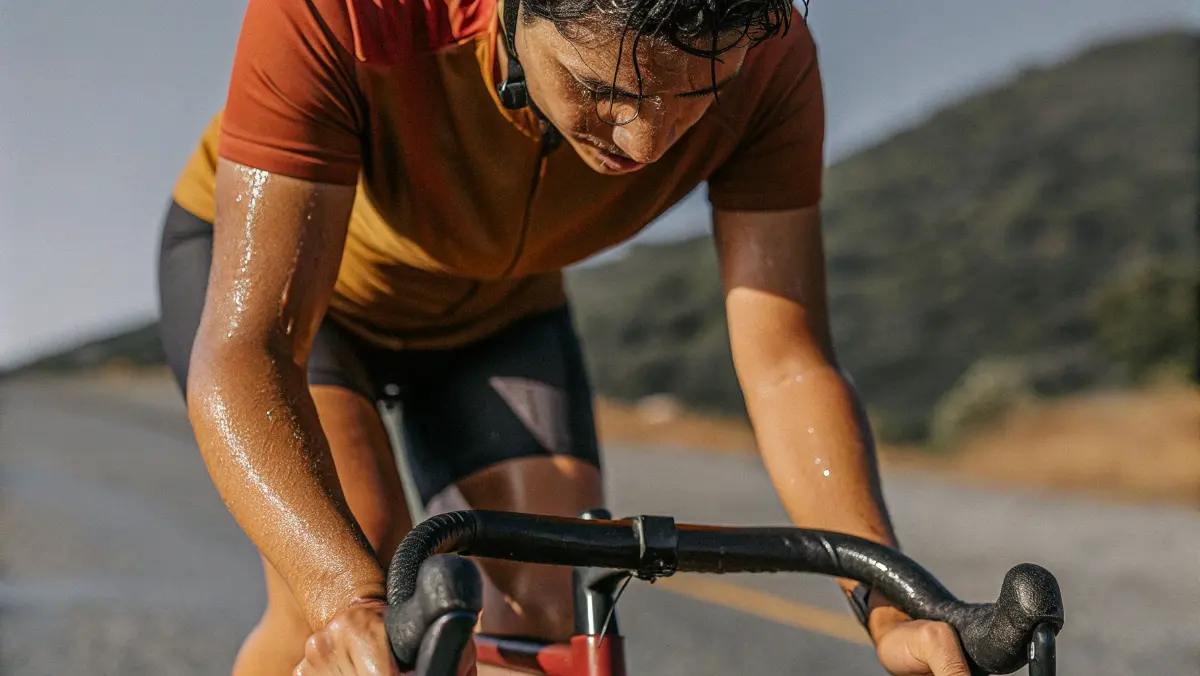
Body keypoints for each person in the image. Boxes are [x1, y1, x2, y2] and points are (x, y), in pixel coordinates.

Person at [157, 0, 972, 674]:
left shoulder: (773, 62)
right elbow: (249, 349)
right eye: (601, 88)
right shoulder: (345, 11)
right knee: (372, 598)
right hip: (299, 295)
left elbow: (789, 365)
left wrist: (889, 604)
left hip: (496, 305)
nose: (647, 146)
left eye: (696, 95)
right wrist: (342, 599)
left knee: (543, 610)